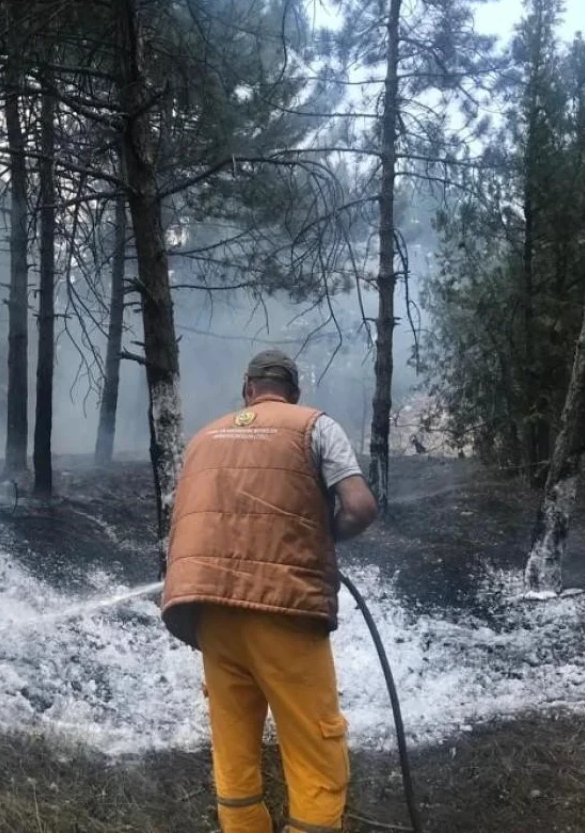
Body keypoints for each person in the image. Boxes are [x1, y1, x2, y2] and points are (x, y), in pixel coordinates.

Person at [161, 350, 379, 833]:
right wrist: (320, 539)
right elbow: (360, 507)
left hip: (210, 609)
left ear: (247, 388)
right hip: (283, 609)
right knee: (313, 745)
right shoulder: (314, 426)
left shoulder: (203, 438)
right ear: (293, 393)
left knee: (234, 745)